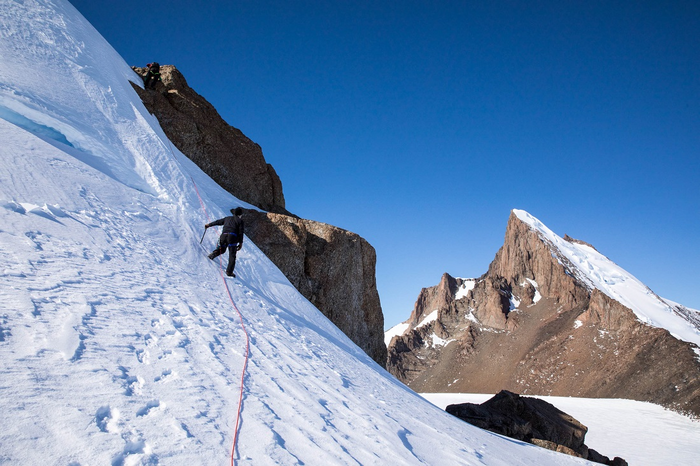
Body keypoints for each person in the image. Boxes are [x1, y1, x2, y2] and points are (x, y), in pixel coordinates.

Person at [205, 207, 245, 277]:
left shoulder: (227, 218)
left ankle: (213, 254)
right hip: (232, 237)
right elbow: (241, 232)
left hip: (223, 236)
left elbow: (218, 222)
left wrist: (209, 225)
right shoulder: (240, 221)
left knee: (222, 249)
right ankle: (229, 272)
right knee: (232, 255)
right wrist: (240, 243)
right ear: (240, 214)